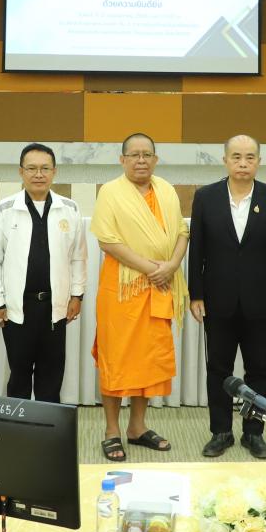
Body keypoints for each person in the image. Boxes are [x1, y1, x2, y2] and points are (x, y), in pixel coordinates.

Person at [188, 135, 266, 459]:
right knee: (218, 369)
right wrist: (196, 294)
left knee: (258, 369)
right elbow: (197, 249)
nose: (243, 163)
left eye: (250, 157)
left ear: (259, 161)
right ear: (225, 160)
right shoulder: (205, 197)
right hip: (217, 300)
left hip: (262, 300)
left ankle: (254, 432)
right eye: (236, 157)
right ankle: (220, 431)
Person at [90, 133, 189, 462]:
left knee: (148, 358)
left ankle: (137, 426)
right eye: (134, 155)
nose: (141, 160)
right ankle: (111, 430)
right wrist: (152, 269)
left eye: (147, 154)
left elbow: (182, 232)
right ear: (122, 160)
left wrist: (171, 266)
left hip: (160, 284)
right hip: (123, 288)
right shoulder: (110, 192)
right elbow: (107, 241)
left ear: (156, 159)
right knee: (116, 359)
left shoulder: (166, 190)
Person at [0, 143, 85, 403]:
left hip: (55, 306)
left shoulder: (70, 209)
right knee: (19, 374)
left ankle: (47, 425)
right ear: (21, 172)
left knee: (51, 376)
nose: (38, 174)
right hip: (17, 307)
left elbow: (78, 257)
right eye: (31, 168)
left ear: (54, 172)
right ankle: (18, 425)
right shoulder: (4, 209)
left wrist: (77, 295)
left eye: (45, 168)